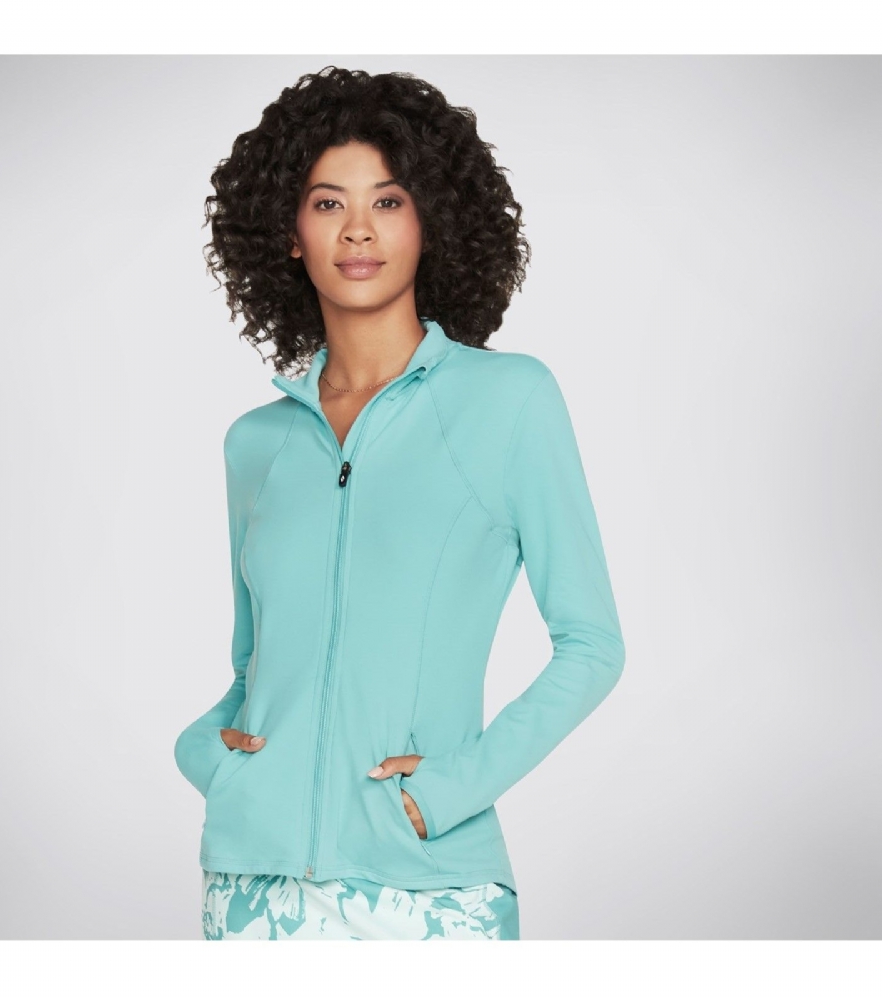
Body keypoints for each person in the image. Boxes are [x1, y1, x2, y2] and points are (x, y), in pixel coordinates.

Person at [174, 65, 626, 941]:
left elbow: (592, 646)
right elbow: (253, 667)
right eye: (326, 203)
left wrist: (448, 792)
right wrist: (206, 756)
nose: (358, 229)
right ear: (288, 233)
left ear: (430, 224)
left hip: (429, 892)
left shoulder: (509, 401)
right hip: (251, 890)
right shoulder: (256, 444)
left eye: (387, 201)